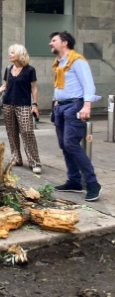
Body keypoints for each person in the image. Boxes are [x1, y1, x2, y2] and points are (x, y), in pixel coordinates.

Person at [49, 31, 101, 201]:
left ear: (64, 43)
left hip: (74, 106)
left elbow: (88, 84)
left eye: (54, 40)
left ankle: (92, 183)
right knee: (64, 145)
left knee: (71, 144)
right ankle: (74, 181)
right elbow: (60, 86)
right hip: (61, 107)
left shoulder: (77, 60)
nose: (50, 43)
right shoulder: (59, 62)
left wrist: (87, 105)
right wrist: (56, 102)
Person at [0, 44, 42, 174]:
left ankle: (35, 161)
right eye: (9, 52)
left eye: (12, 52)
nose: (10, 54)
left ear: (20, 54)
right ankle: (16, 158)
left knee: (27, 132)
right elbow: (5, 85)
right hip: (8, 104)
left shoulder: (30, 70)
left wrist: (35, 104)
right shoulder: (8, 69)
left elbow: (33, 88)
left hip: (24, 105)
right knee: (12, 132)